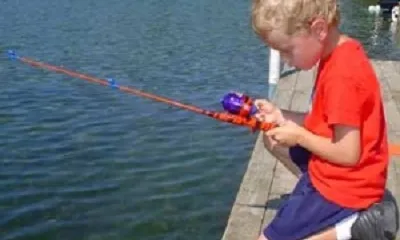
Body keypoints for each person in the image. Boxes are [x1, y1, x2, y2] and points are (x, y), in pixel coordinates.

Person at [251, 0, 395, 239]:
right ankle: (325, 212)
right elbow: (326, 121)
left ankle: (354, 224)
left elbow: (348, 153)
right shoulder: (337, 52)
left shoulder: (343, 75)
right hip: (345, 172)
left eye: (287, 50)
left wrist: (299, 136)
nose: (286, 60)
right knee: (272, 139)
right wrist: (280, 115)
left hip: (346, 184)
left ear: (318, 29)